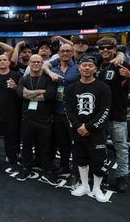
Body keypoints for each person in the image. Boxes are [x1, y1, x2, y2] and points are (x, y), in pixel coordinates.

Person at [64, 55, 111, 203]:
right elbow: (68, 109)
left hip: (96, 132)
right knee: (80, 159)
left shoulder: (103, 87)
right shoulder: (71, 88)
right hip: (78, 131)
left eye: (90, 66)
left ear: (95, 69)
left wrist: (89, 127)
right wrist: (79, 126)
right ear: (79, 68)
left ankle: (97, 188)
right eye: (84, 65)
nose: (86, 68)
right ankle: (84, 186)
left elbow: (105, 111)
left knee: (98, 161)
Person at [96, 37, 130, 193]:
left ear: (115, 49)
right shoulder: (97, 65)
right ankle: (101, 174)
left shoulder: (122, 64)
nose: (105, 50)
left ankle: (122, 177)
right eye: (102, 48)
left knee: (120, 148)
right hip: (99, 116)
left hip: (117, 114)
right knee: (100, 148)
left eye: (109, 48)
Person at [15, 55, 57, 184]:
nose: (36, 64)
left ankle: (47, 171)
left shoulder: (48, 78)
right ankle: (26, 167)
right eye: (33, 62)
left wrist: (30, 94)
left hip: (44, 119)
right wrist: (39, 92)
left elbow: (49, 95)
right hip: (27, 119)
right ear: (29, 63)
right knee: (26, 147)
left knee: (45, 147)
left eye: (39, 62)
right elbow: (20, 93)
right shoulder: (24, 78)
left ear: (42, 63)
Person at [51, 44, 80, 176]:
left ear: (72, 53)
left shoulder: (78, 68)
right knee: (62, 141)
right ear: (59, 53)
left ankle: (78, 169)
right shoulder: (53, 67)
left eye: (68, 51)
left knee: (76, 143)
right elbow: (43, 65)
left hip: (73, 111)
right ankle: (64, 166)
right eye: (63, 51)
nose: (65, 53)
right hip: (57, 110)